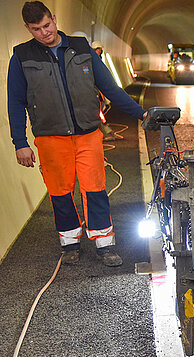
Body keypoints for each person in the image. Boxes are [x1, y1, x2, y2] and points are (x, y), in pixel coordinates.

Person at [7, 1, 147, 266]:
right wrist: (19, 143)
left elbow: (110, 88)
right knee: (59, 192)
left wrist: (141, 113)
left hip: (87, 134)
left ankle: (105, 244)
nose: (44, 32)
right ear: (28, 28)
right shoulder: (22, 58)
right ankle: (70, 243)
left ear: (55, 19)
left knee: (95, 188)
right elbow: (15, 102)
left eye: (47, 25)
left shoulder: (81, 48)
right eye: (36, 29)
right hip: (50, 138)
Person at [91, 40, 122, 141]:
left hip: (98, 93)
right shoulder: (90, 61)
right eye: (98, 50)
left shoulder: (98, 61)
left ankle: (106, 132)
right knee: (97, 114)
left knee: (99, 114)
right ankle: (106, 132)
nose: (99, 52)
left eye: (100, 50)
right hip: (93, 93)